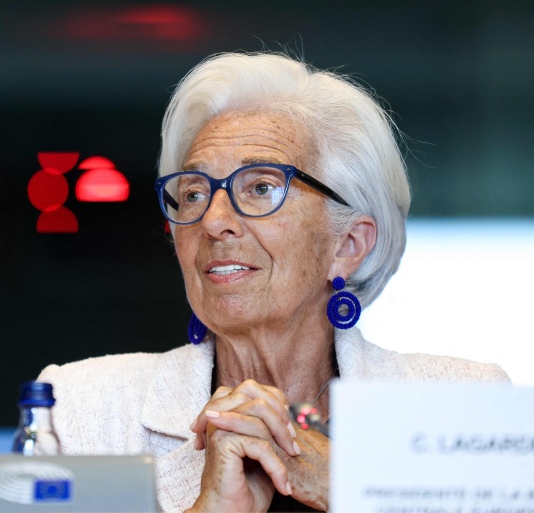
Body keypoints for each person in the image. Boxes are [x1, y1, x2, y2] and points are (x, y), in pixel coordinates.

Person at [37, 52, 509, 512]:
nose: (213, 221)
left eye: (260, 188)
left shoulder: (464, 404)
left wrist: (349, 491)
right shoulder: (81, 410)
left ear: (348, 244)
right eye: (194, 193)